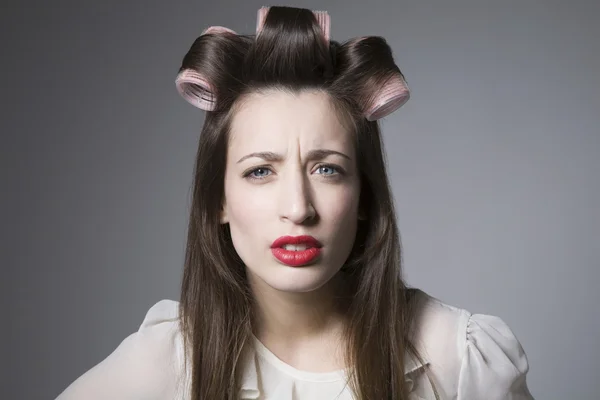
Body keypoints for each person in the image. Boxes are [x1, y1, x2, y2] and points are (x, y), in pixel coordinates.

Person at [55, 6, 534, 400]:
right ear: (218, 200)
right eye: (260, 171)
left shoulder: (457, 358)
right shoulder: (173, 361)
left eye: (327, 169)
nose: (298, 208)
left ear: (364, 195)